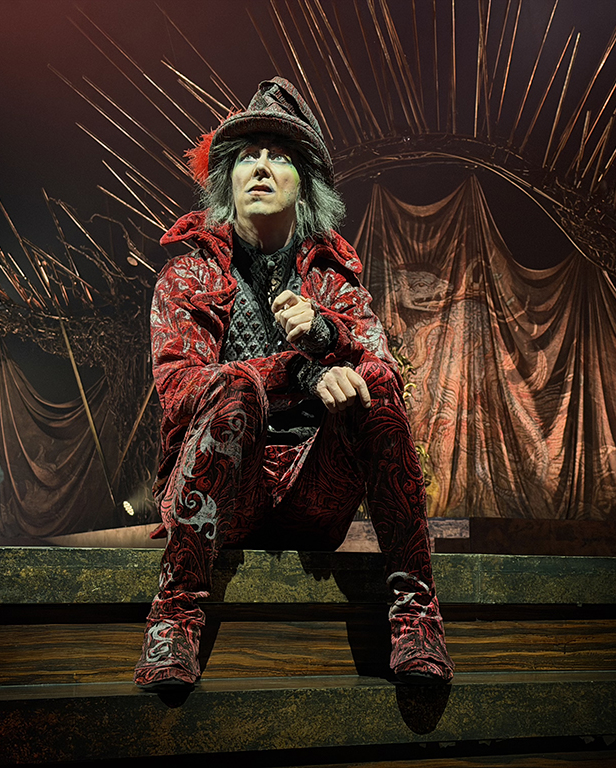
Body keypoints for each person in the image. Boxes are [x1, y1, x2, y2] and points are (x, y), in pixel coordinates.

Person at [134, 77, 453, 690]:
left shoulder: (334, 280)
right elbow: (179, 387)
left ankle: (416, 617)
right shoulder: (187, 274)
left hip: (315, 497)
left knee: (376, 397)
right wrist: (299, 371)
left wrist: (329, 338)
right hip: (221, 500)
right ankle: (175, 617)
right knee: (233, 393)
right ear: (225, 179)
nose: (260, 166)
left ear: (304, 183)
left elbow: (385, 370)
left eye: (278, 155)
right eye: (246, 155)